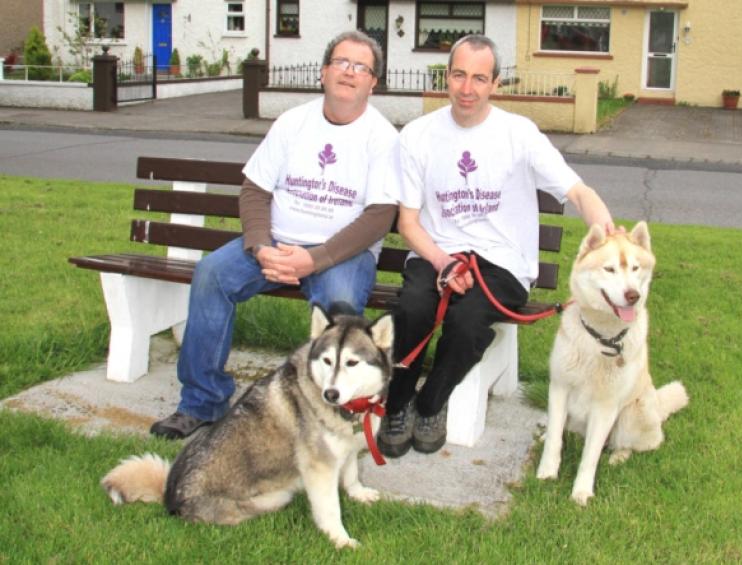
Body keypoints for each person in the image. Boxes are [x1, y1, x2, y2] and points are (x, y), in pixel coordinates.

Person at [151, 31, 400, 439]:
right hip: (276, 243)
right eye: (341, 62)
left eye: (361, 67)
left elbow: (379, 217)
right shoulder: (292, 122)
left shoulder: (384, 138)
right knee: (212, 274)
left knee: (339, 309)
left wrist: (313, 260)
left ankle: (328, 413)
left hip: (342, 255)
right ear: (323, 72)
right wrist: (261, 246)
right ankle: (202, 402)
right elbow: (254, 191)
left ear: (373, 82)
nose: (349, 72)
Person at [377, 35, 618, 457]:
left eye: (479, 78)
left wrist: (608, 235)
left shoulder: (519, 134)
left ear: (496, 83)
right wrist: (442, 262)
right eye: (458, 75)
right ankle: (397, 405)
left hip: (503, 263)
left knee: (467, 322)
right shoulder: (417, 135)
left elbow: (578, 192)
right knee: (412, 309)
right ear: (446, 77)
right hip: (436, 253)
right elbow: (408, 223)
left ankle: (431, 403)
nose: (467, 88)